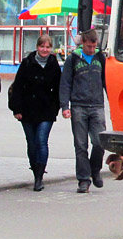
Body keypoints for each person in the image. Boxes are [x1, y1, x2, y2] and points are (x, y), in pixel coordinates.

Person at [9, 36, 61, 191]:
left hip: (46, 110)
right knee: (31, 144)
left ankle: (39, 177)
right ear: (37, 47)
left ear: (51, 49)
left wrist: (56, 108)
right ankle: (35, 171)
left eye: (48, 47)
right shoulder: (27, 63)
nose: (45, 50)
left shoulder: (54, 65)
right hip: (27, 110)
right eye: (42, 47)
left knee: (41, 140)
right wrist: (17, 109)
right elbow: (17, 87)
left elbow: (59, 89)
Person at [60, 29, 106, 194]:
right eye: (88, 46)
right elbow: (65, 83)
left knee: (100, 142)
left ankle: (95, 170)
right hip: (79, 106)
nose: (91, 49)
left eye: (94, 46)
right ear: (82, 44)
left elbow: (107, 81)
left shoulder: (100, 58)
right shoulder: (73, 59)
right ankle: (83, 180)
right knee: (80, 145)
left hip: (97, 106)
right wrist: (65, 106)